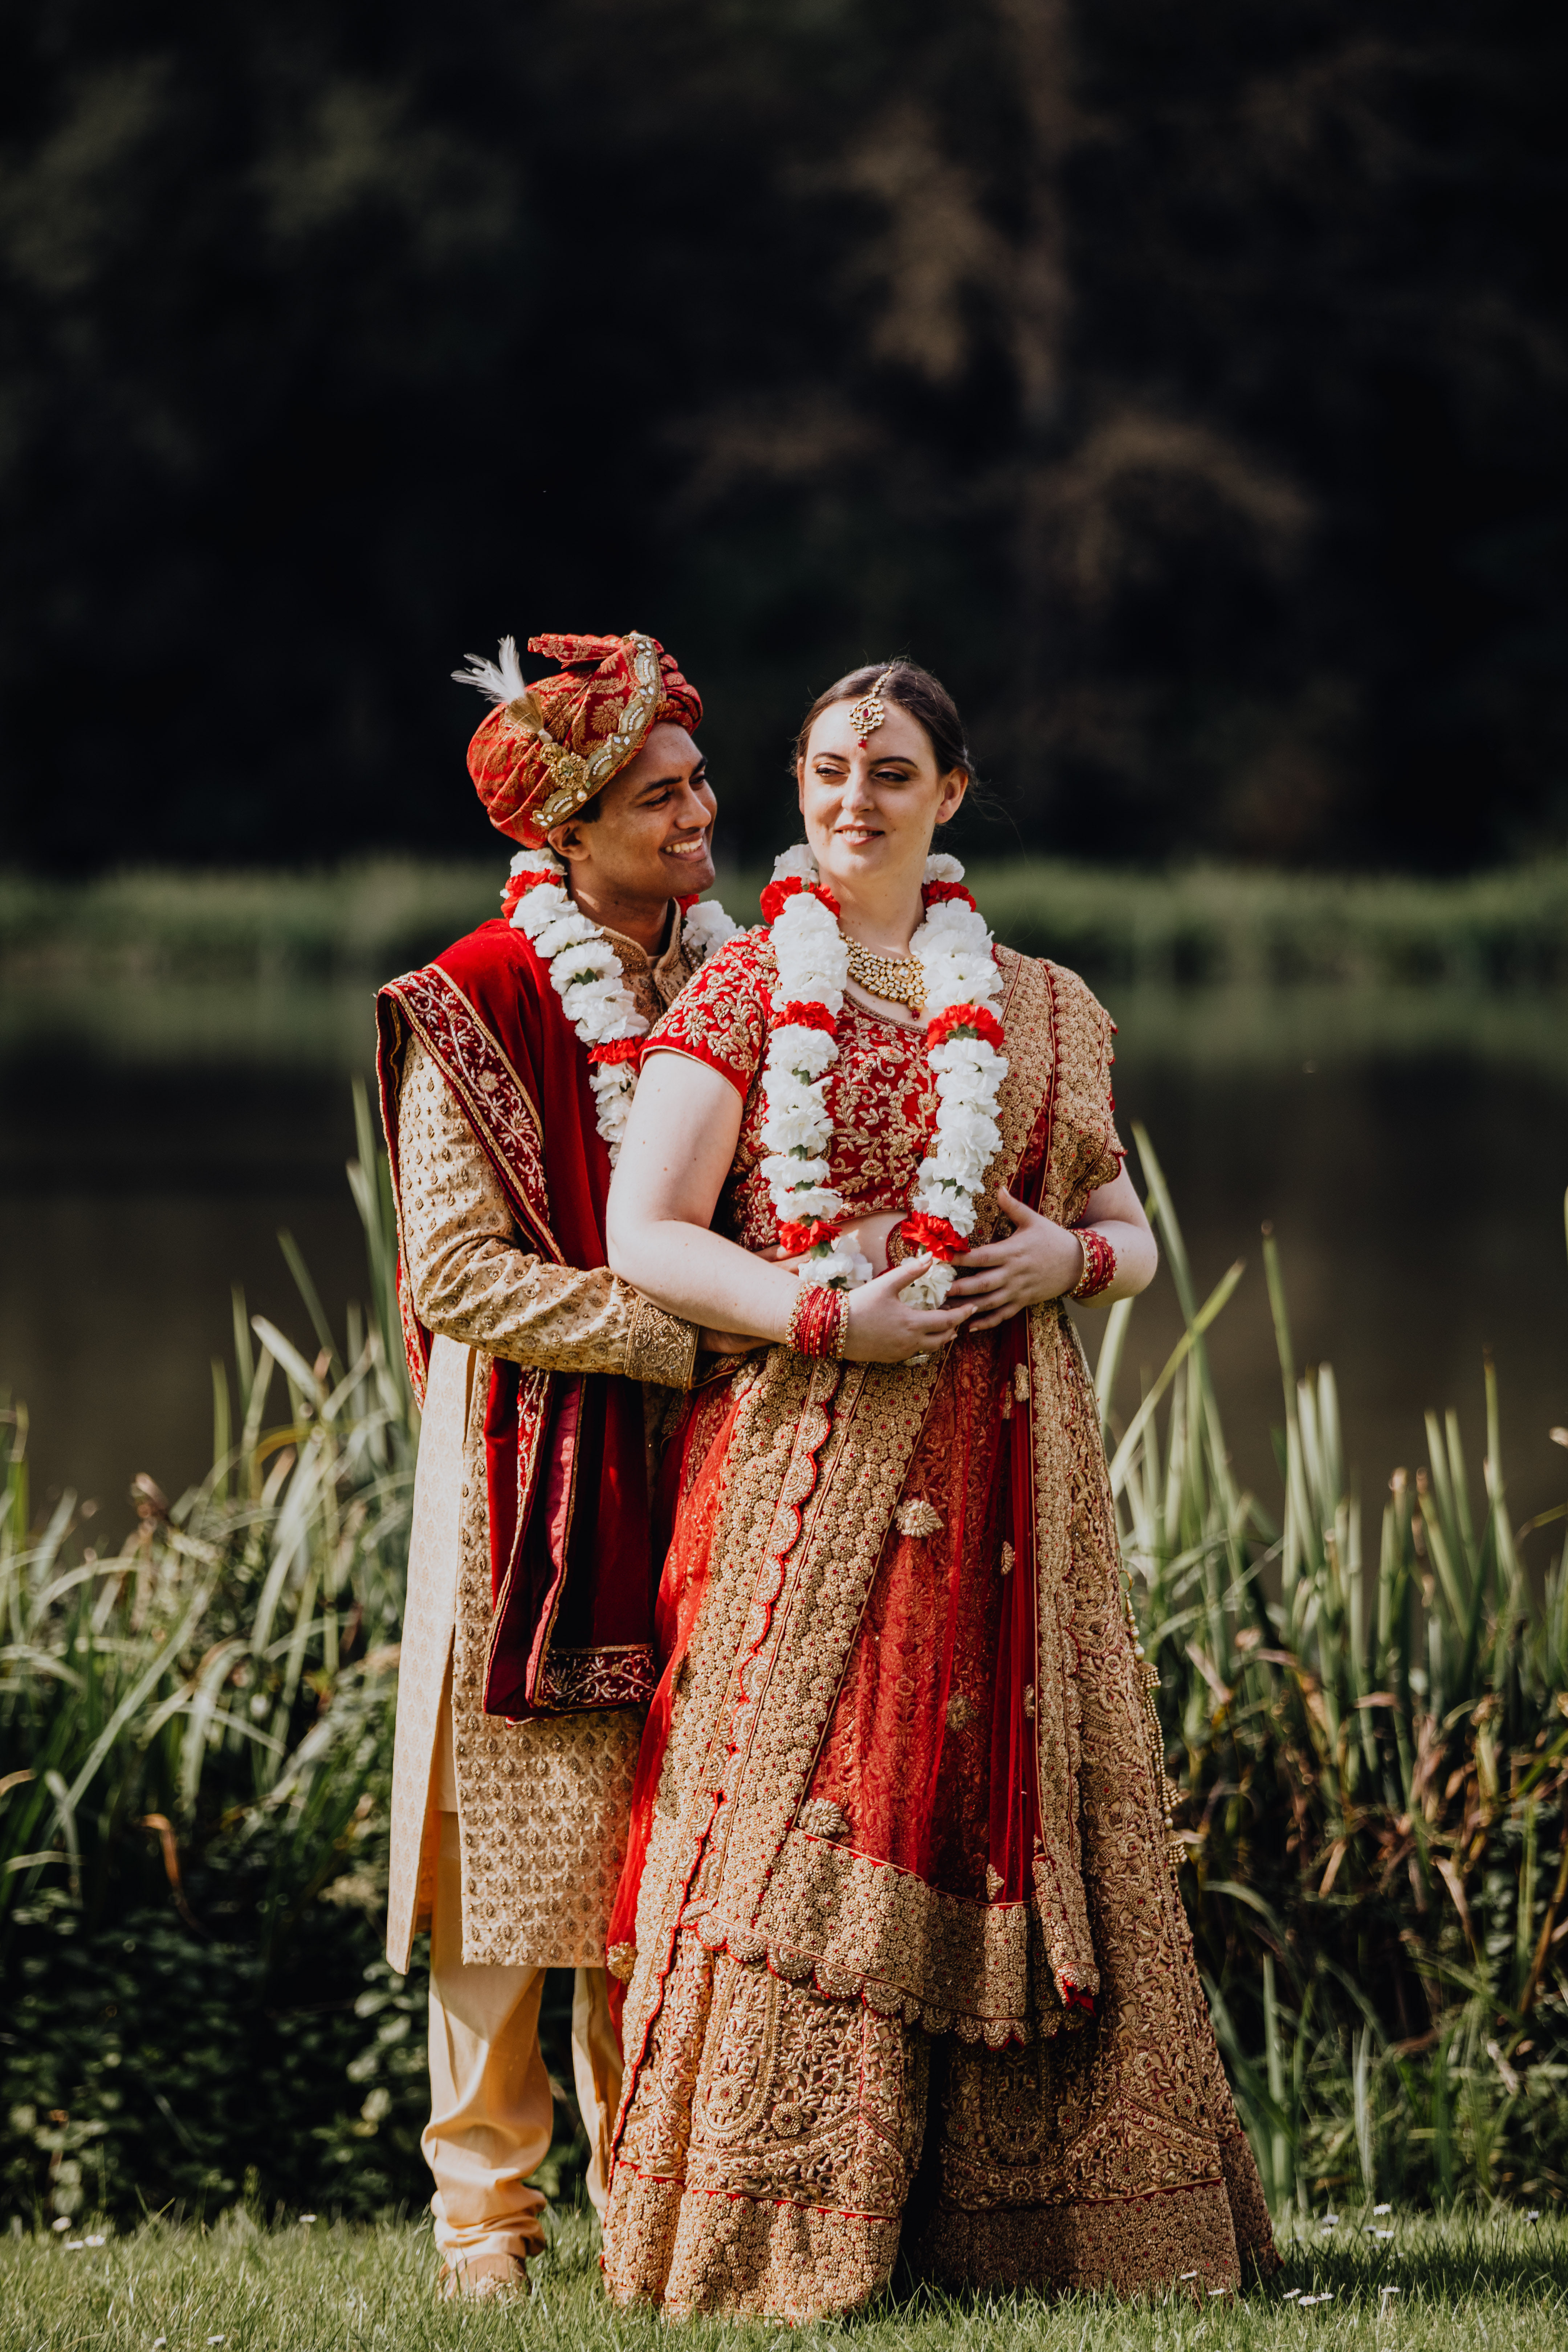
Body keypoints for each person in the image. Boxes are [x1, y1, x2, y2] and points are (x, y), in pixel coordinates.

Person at [597, 660, 1279, 2319]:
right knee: (813, 1801)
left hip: (1009, 1469)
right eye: (830, 769)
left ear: (951, 793)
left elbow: (1129, 1233)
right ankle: (770, 2238)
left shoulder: (1044, 1005)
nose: (856, 798)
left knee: (1006, 1797)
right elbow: (646, 1235)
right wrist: (824, 1314)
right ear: (799, 784)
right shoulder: (746, 992)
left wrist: (1069, 1261)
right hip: (809, 1463)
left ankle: (1045, 2239)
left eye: (892, 771)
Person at [374, 629, 737, 2299]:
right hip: (526, 1482)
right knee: (513, 1876)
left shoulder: (748, 983)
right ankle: (487, 2233)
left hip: (718, 1470)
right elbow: (457, 1274)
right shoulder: (478, 993)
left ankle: (647, 2215)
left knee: (672, 1864)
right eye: (660, 796)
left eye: (700, 782)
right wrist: (678, 1334)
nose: (700, 812)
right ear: (566, 830)